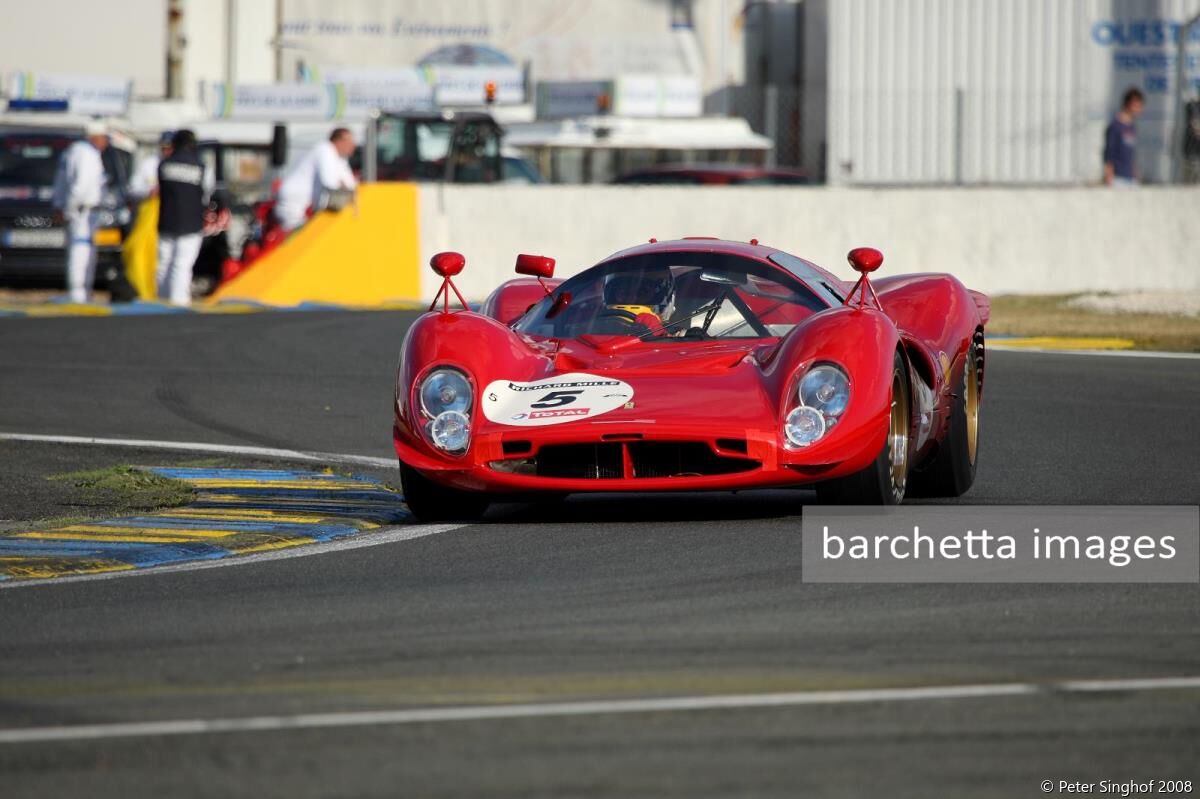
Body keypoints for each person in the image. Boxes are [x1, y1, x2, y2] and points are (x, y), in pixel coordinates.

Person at [52, 119, 108, 303]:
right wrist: (70, 208)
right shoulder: (87, 154)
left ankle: (82, 292)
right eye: (104, 137)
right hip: (83, 211)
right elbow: (81, 185)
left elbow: (61, 182)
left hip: (80, 210)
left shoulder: (73, 151)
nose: (105, 142)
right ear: (95, 136)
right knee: (81, 251)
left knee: (82, 251)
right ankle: (79, 294)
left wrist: (60, 205)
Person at [156, 128, 211, 306]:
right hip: (191, 222)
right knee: (182, 264)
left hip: (166, 220)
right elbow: (207, 194)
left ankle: (162, 300)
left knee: (164, 263)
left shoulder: (164, 164)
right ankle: (178, 302)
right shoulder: (201, 167)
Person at [274, 127, 357, 232]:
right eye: (350, 142)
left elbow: (351, 184)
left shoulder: (339, 157)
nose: (353, 146)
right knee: (297, 239)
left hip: (305, 205)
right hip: (294, 203)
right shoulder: (325, 150)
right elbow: (330, 182)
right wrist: (346, 188)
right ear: (339, 141)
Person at [1103, 87, 1144, 188]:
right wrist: (1109, 174)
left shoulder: (1132, 126)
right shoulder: (1115, 126)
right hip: (1117, 177)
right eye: (1136, 105)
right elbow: (1109, 151)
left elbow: (1131, 153)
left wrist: (1135, 172)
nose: (1139, 109)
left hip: (1130, 177)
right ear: (1128, 104)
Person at [128, 131, 174, 201]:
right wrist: (149, 191)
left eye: (169, 148)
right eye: (163, 148)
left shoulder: (179, 165)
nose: (166, 151)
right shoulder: (149, 163)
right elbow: (133, 188)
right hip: (151, 208)